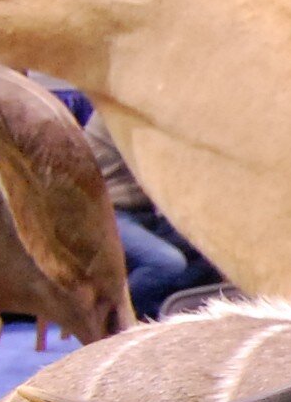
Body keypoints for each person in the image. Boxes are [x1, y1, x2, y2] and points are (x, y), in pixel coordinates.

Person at [85, 108, 219, 322]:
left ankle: (164, 315)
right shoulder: (117, 113)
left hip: (143, 215)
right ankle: (114, 317)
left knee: (214, 251)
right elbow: (171, 166)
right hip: (105, 215)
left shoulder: (146, 110)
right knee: (167, 263)